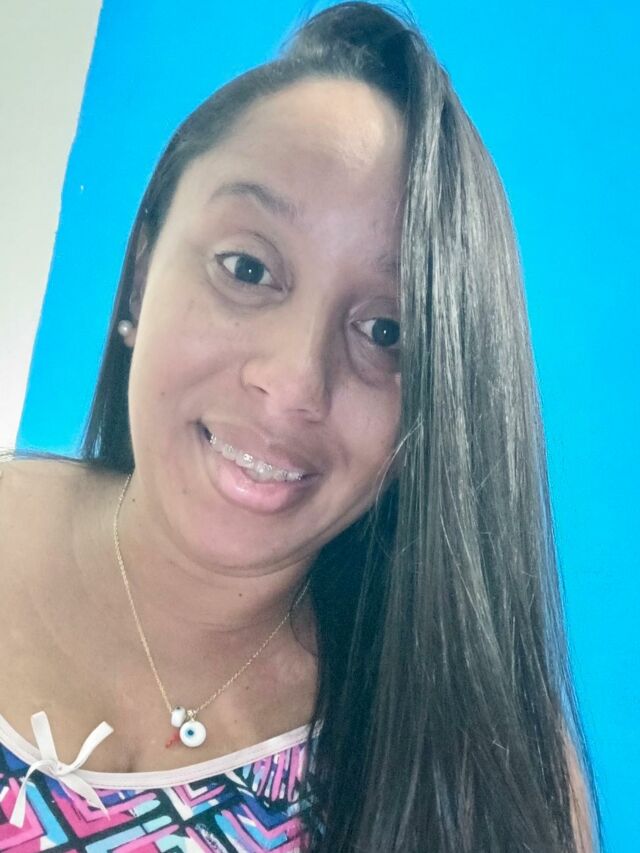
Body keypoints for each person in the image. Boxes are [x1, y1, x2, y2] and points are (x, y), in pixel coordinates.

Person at [0, 2, 600, 851]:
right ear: (139, 277)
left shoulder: (489, 778)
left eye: (386, 331)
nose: (293, 383)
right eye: (247, 268)